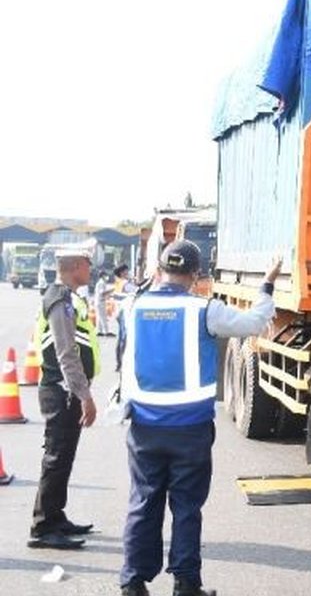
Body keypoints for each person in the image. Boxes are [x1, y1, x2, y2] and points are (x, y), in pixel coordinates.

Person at [118, 241, 281, 596]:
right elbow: (254, 322)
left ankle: (133, 582)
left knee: (143, 502)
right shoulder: (205, 310)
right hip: (190, 429)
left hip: (144, 426)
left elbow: (124, 355)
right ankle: (186, 584)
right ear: (196, 275)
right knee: (187, 508)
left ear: (160, 270)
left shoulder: (131, 306)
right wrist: (266, 286)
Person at [28, 247, 99, 550]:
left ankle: (56, 517)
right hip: (62, 390)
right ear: (76, 267)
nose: (91, 270)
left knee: (64, 457)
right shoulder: (60, 300)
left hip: (65, 389)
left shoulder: (68, 298)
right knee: (56, 458)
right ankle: (43, 527)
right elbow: (66, 352)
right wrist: (84, 395)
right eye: (88, 265)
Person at [95, 269, 114, 337]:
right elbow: (102, 293)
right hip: (100, 301)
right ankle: (106, 332)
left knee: (99, 317)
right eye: (105, 275)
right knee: (103, 317)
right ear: (102, 276)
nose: (106, 276)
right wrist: (111, 290)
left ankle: (99, 331)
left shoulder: (101, 282)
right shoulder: (101, 283)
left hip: (100, 301)